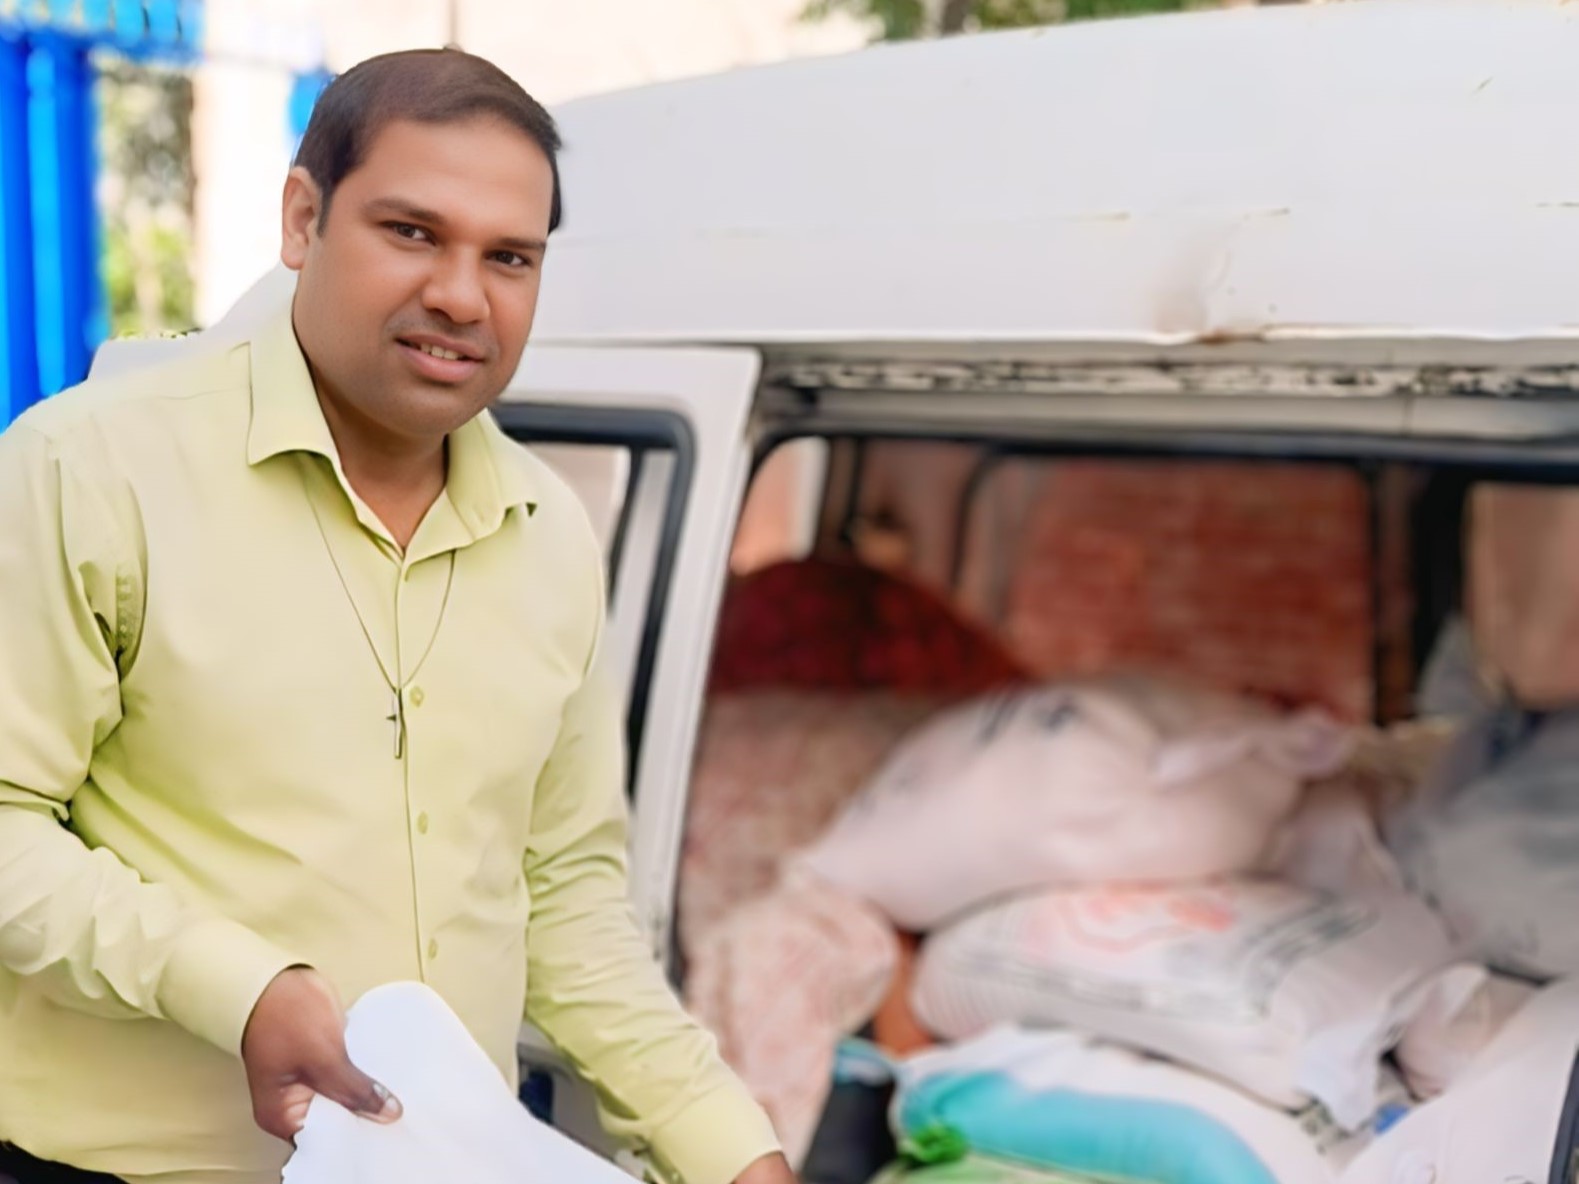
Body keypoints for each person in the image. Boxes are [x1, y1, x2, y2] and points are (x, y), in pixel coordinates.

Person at [0, 48, 792, 1184]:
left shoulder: (548, 533)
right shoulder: (89, 467)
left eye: (508, 257)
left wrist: (727, 1143)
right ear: (302, 218)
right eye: (412, 232)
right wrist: (236, 985)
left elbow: (563, 891)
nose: (463, 295)